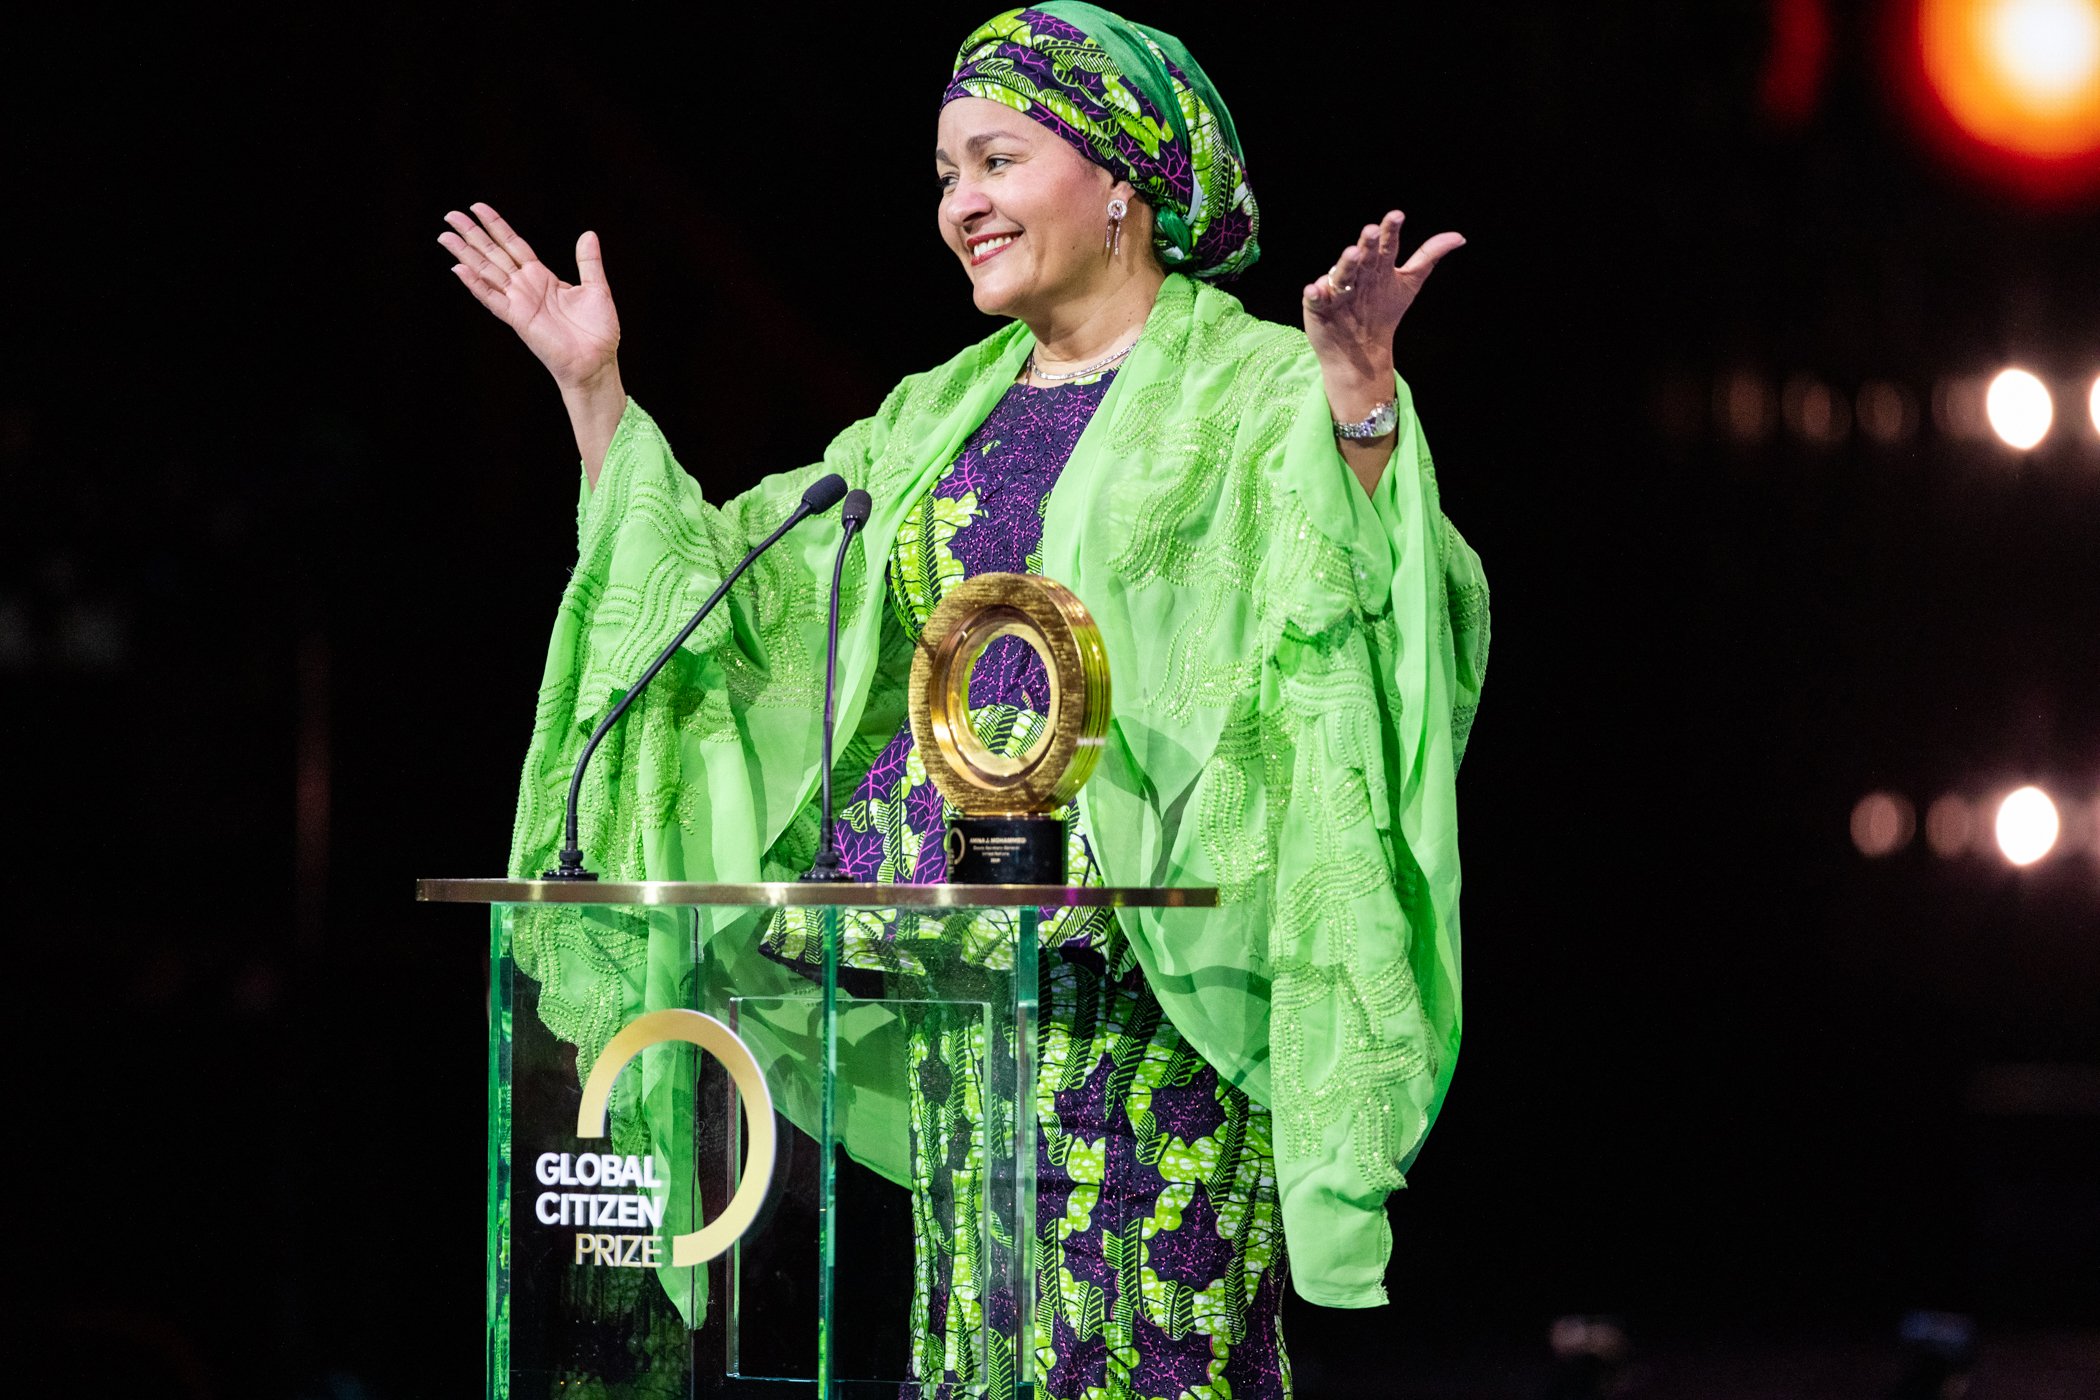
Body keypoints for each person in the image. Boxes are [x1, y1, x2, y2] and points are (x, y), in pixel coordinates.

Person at [441, 5, 1489, 1396]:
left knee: (1140, 1353)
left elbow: (1357, 600)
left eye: (995, 161)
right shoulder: (934, 416)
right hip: (959, 978)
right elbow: (747, 604)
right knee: (975, 1353)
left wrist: (1359, 399)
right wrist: (597, 395)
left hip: (1149, 1006)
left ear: (1118, 176)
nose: (961, 205)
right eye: (946, 175)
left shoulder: (1244, 390)